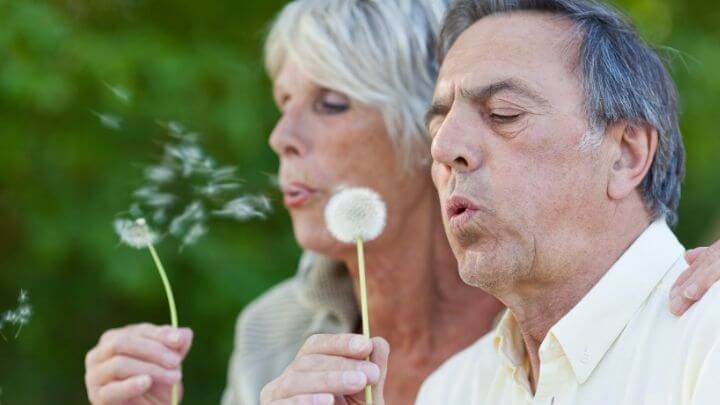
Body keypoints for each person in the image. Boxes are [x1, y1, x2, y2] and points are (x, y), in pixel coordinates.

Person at [83, 1, 720, 404]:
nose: (446, 149)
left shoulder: (706, 331)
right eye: (439, 122)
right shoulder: (460, 386)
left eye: (503, 114)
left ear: (628, 153)